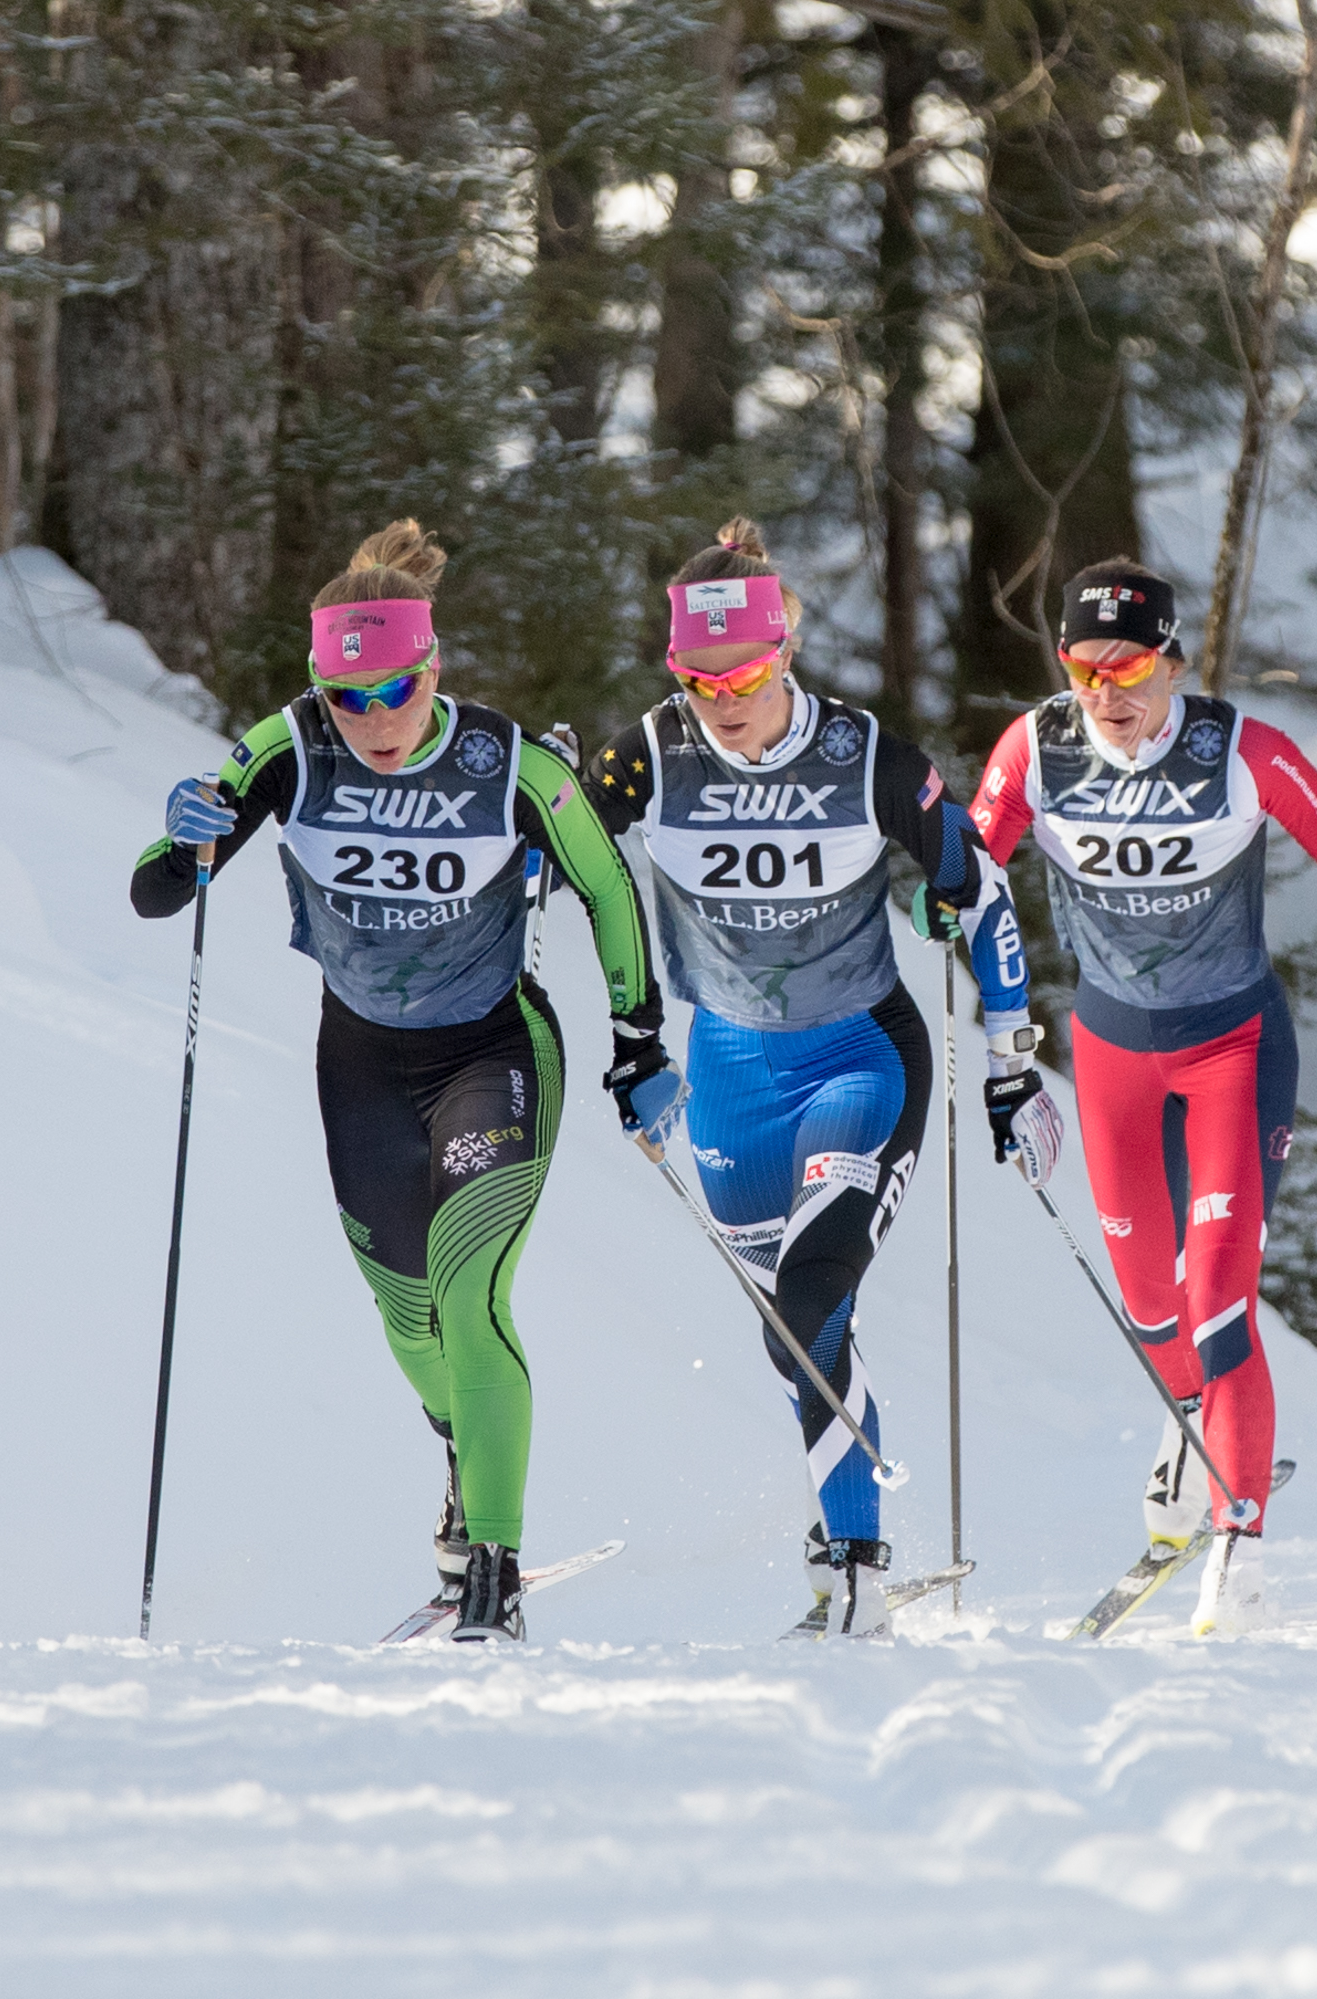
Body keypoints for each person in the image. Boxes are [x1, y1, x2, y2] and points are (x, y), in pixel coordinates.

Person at [130, 521, 681, 1643]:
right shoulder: (286, 748)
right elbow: (155, 895)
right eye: (348, 697)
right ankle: (462, 1453)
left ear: (435, 669)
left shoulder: (505, 763)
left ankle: (494, 1557)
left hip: (492, 1052)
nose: (376, 718)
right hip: (361, 1061)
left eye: (397, 689)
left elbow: (606, 888)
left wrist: (638, 1039)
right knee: (407, 1316)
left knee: (471, 1289)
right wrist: (179, 833)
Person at [586, 519, 1059, 1638]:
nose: (721, 699)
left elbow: (974, 886)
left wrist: (1008, 1061)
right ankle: (851, 1560)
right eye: (696, 679)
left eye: (742, 674)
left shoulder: (862, 755)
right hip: (729, 1071)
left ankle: (851, 1562)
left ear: (784, 648)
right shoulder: (652, 752)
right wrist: (629, 1033)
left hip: (859, 1056)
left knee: (808, 1292)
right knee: (801, 1331)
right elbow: (557, 845)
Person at [968, 557, 1317, 1636]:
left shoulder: (1241, 754)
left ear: (1174, 660)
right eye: (1081, 668)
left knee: (1216, 1294)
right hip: (1109, 1054)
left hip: (1230, 1049)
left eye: (1128, 666)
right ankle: (1196, 1431)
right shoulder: (1035, 751)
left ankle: (1241, 1535)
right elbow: (967, 874)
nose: (1106, 693)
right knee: (1147, 1304)